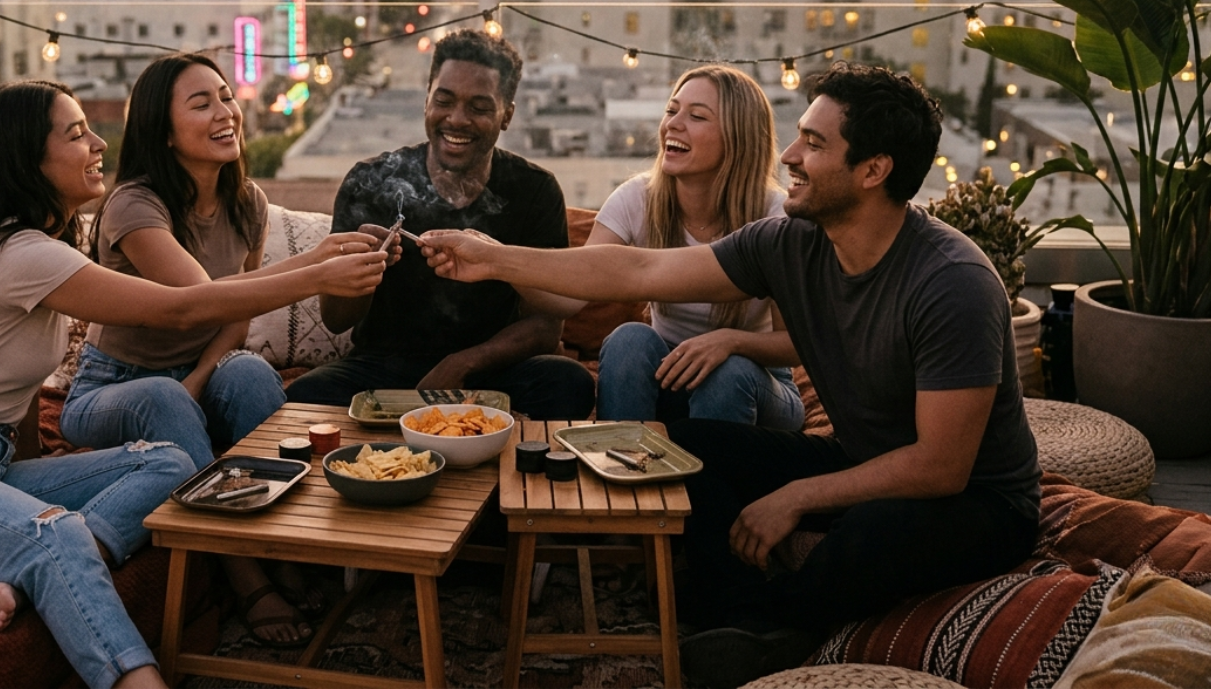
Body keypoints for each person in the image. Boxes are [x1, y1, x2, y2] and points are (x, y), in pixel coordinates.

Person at [421, 62, 1041, 688]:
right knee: (689, 450)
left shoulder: (951, 282)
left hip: (974, 501)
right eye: (800, 135)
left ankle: (776, 634)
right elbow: (636, 272)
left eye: (815, 144)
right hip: (861, 458)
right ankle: (737, 616)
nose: (792, 154)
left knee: (875, 530)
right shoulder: (789, 242)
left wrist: (796, 496)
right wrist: (494, 258)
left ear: (873, 170)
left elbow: (940, 466)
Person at [0, 79, 386, 689]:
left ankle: (16, 564)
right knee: (56, 533)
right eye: (77, 134)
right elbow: (182, 307)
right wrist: (317, 273)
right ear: (28, 158)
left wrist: (317, 265)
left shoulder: (45, 244)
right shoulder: (18, 255)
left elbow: (15, 406)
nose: (99, 142)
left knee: (175, 463)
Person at [67, 54, 373, 646]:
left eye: (226, 97)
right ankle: (245, 576)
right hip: (112, 386)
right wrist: (315, 270)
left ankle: (283, 541)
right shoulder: (135, 206)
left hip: (186, 376)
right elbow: (200, 300)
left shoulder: (247, 202)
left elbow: (235, 315)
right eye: (200, 103)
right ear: (163, 129)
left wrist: (201, 378)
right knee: (164, 397)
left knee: (253, 376)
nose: (224, 112)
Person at [285, 29, 594, 420]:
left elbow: (547, 328)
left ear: (507, 115)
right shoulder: (371, 180)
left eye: (479, 107)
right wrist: (363, 269)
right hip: (385, 368)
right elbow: (336, 318)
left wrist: (464, 364)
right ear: (426, 100)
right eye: (444, 100)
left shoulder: (534, 190)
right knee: (309, 394)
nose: (457, 119)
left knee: (568, 381)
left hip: (489, 371)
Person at [589, 66, 802, 429]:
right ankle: (623, 473)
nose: (673, 123)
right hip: (670, 376)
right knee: (629, 340)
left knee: (728, 372)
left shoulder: (776, 216)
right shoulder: (636, 198)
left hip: (755, 382)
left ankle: (711, 486)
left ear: (738, 137)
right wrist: (497, 258)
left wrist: (729, 342)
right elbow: (577, 281)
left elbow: (797, 345)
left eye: (697, 116)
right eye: (672, 111)